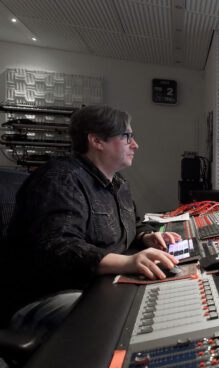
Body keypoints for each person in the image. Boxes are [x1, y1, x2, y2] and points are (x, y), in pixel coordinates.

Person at [1, 105, 181, 329]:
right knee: (128, 320)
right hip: (48, 296)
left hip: (99, 284)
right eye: (126, 137)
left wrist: (146, 236)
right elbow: (58, 248)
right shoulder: (60, 179)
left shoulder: (118, 183)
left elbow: (133, 222)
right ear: (96, 141)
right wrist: (127, 262)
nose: (135, 145)